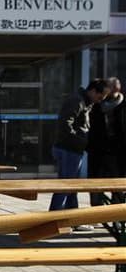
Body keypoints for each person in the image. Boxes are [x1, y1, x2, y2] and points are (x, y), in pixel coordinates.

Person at [49, 79, 110, 216]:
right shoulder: (77, 101)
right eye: (100, 97)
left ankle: (73, 217)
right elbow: (65, 125)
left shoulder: (85, 102)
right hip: (68, 149)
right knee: (65, 186)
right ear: (93, 91)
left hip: (73, 149)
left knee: (71, 186)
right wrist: (80, 141)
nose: (99, 101)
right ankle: (52, 218)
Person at [87, 77, 125, 206]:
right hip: (97, 148)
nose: (105, 93)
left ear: (117, 89)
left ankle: (116, 213)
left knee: (117, 182)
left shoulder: (122, 105)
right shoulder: (96, 104)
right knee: (95, 182)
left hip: (117, 150)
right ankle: (96, 210)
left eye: (109, 89)